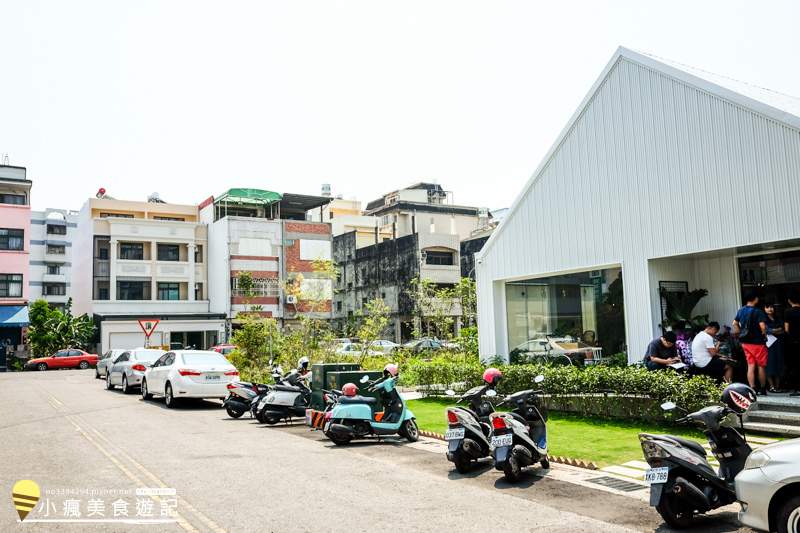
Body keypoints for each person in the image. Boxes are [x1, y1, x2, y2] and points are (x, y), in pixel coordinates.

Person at [733, 291, 769, 395]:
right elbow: (762, 326)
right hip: (758, 342)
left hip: (746, 343)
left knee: (750, 366)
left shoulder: (741, 310)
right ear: (756, 299)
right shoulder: (757, 311)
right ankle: (762, 389)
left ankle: (752, 389)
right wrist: (765, 335)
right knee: (761, 366)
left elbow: (734, 323)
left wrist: (741, 332)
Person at [764, 303, 785, 393]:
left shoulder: (778, 318)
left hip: (778, 343)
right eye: (767, 307)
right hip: (769, 344)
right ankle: (771, 386)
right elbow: (768, 331)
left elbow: (784, 330)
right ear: (764, 309)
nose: (770, 309)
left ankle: (777, 386)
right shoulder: (764, 320)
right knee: (769, 363)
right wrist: (778, 330)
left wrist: (775, 331)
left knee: (778, 363)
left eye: (771, 307)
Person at [784, 290, 800, 397]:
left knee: (796, 365)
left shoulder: (788, 312)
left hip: (794, 342)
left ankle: (798, 389)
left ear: (789, 301)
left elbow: (786, 329)